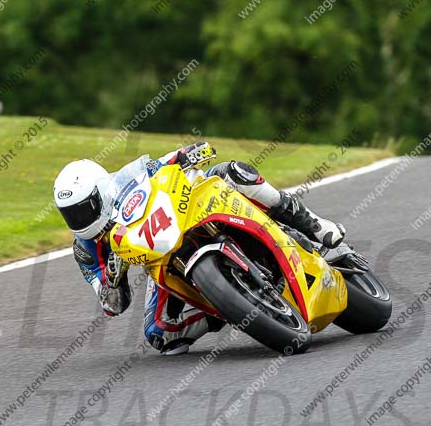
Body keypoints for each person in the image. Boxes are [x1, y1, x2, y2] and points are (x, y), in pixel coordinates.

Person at [53, 142, 345, 355]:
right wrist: (115, 277)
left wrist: (188, 153)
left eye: (83, 209)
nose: (80, 220)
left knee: (231, 172)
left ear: (101, 194)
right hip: (162, 261)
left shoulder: (126, 181)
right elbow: (113, 304)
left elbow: (169, 160)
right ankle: (227, 307)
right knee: (160, 335)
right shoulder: (84, 250)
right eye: (71, 215)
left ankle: (312, 224)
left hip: (188, 214)